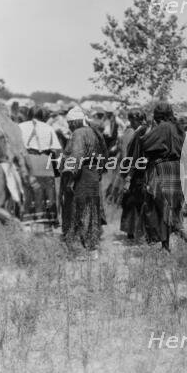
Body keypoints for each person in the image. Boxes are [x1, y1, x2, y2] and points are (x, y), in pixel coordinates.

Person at [136, 102, 186, 251]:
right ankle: (167, 244)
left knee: (160, 207)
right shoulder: (178, 128)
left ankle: (169, 244)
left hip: (162, 169)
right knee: (170, 208)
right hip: (176, 168)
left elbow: (145, 143)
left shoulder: (163, 127)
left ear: (158, 115)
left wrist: (151, 127)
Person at [60, 106, 108, 261]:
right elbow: (105, 156)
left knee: (78, 211)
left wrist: (71, 179)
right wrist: (98, 173)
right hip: (93, 176)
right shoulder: (95, 132)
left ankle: (79, 250)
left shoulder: (79, 133)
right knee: (91, 211)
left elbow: (77, 155)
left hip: (82, 176)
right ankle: (92, 249)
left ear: (76, 122)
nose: (69, 127)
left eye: (70, 123)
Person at [19, 106, 62, 229]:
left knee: (28, 194)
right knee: (47, 195)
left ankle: (27, 225)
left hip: (29, 162)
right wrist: (59, 166)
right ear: (42, 116)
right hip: (45, 163)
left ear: (29, 114)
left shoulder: (21, 127)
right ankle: (46, 225)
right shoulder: (48, 128)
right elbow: (58, 149)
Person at [119, 109, 147, 240]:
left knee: (132, 201)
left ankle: (134, 231)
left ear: (136, 120)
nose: (131, 123)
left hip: (137, 172)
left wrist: (128, 176)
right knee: (134, 201)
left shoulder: (138, 133)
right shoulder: (141, 131)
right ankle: (135, 231)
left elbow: (133, 157)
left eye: (131, 121)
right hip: (140, 170)